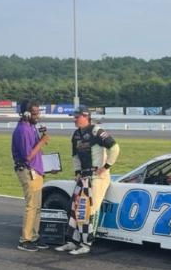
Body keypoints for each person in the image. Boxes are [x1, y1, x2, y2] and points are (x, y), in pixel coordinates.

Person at [56, 106, 120, 256]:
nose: (74, 119)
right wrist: (77, 172)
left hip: (97, 177)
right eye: (74, 116)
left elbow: (115, 148)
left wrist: (106, 167)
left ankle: (86, 244)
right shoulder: (76, 134)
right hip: (84, 177)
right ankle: (73, 241)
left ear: (86, 116)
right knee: (75, 208)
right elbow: (75, 156)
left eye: (77, 116)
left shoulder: (96, 131)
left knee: (89, 210)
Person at [12, 100, 50, 251]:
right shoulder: (23, 130)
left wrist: (48, 166)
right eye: (35, 113)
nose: (37, 116)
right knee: (32, 205)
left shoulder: (31, 127)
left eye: (38, 112)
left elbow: (36, 152)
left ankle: (34, 236)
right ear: (26, 114)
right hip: (28, 170)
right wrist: (42, 141)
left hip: (35, 170)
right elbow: (28, 156)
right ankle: (25, 239)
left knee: (37, 206)